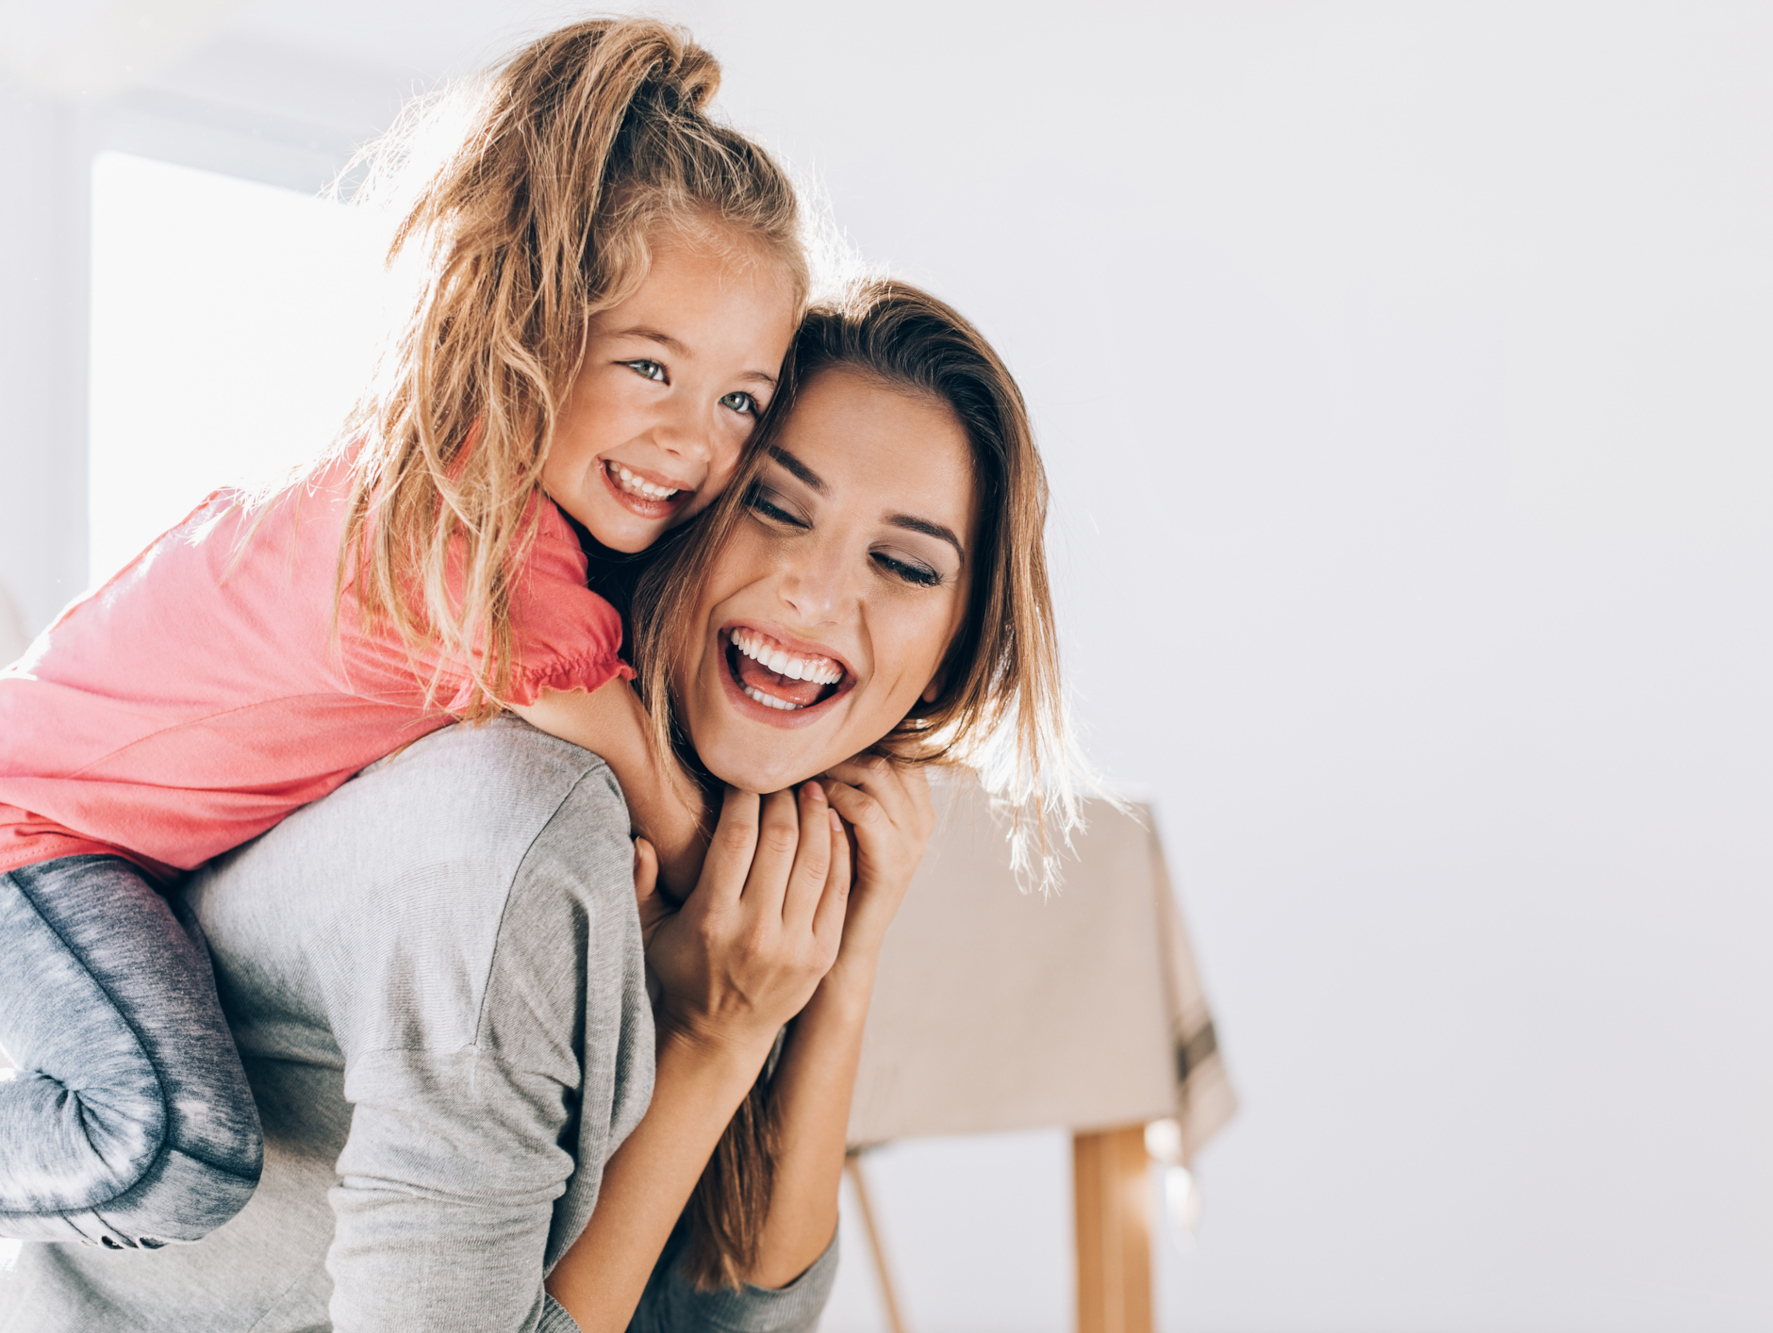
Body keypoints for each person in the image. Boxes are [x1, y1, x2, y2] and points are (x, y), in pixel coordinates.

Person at [0, 279, 1080, 1333]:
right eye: (773, 507)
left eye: (902, 564)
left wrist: (834, 976)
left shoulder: (731, 835)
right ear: (686, 505)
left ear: (950, 655)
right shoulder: (526, 819)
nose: (816, 591)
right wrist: (712, 1039)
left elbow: (727, 1312)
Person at [0, 18, 804, 1249]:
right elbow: (661, 805)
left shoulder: (473, 499)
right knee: (174, 1144)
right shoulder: (465, 533)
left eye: (740, 399)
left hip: (88, 829)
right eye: (651, 368)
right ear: (532, 320)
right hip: (31, 833)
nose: (697, 440)